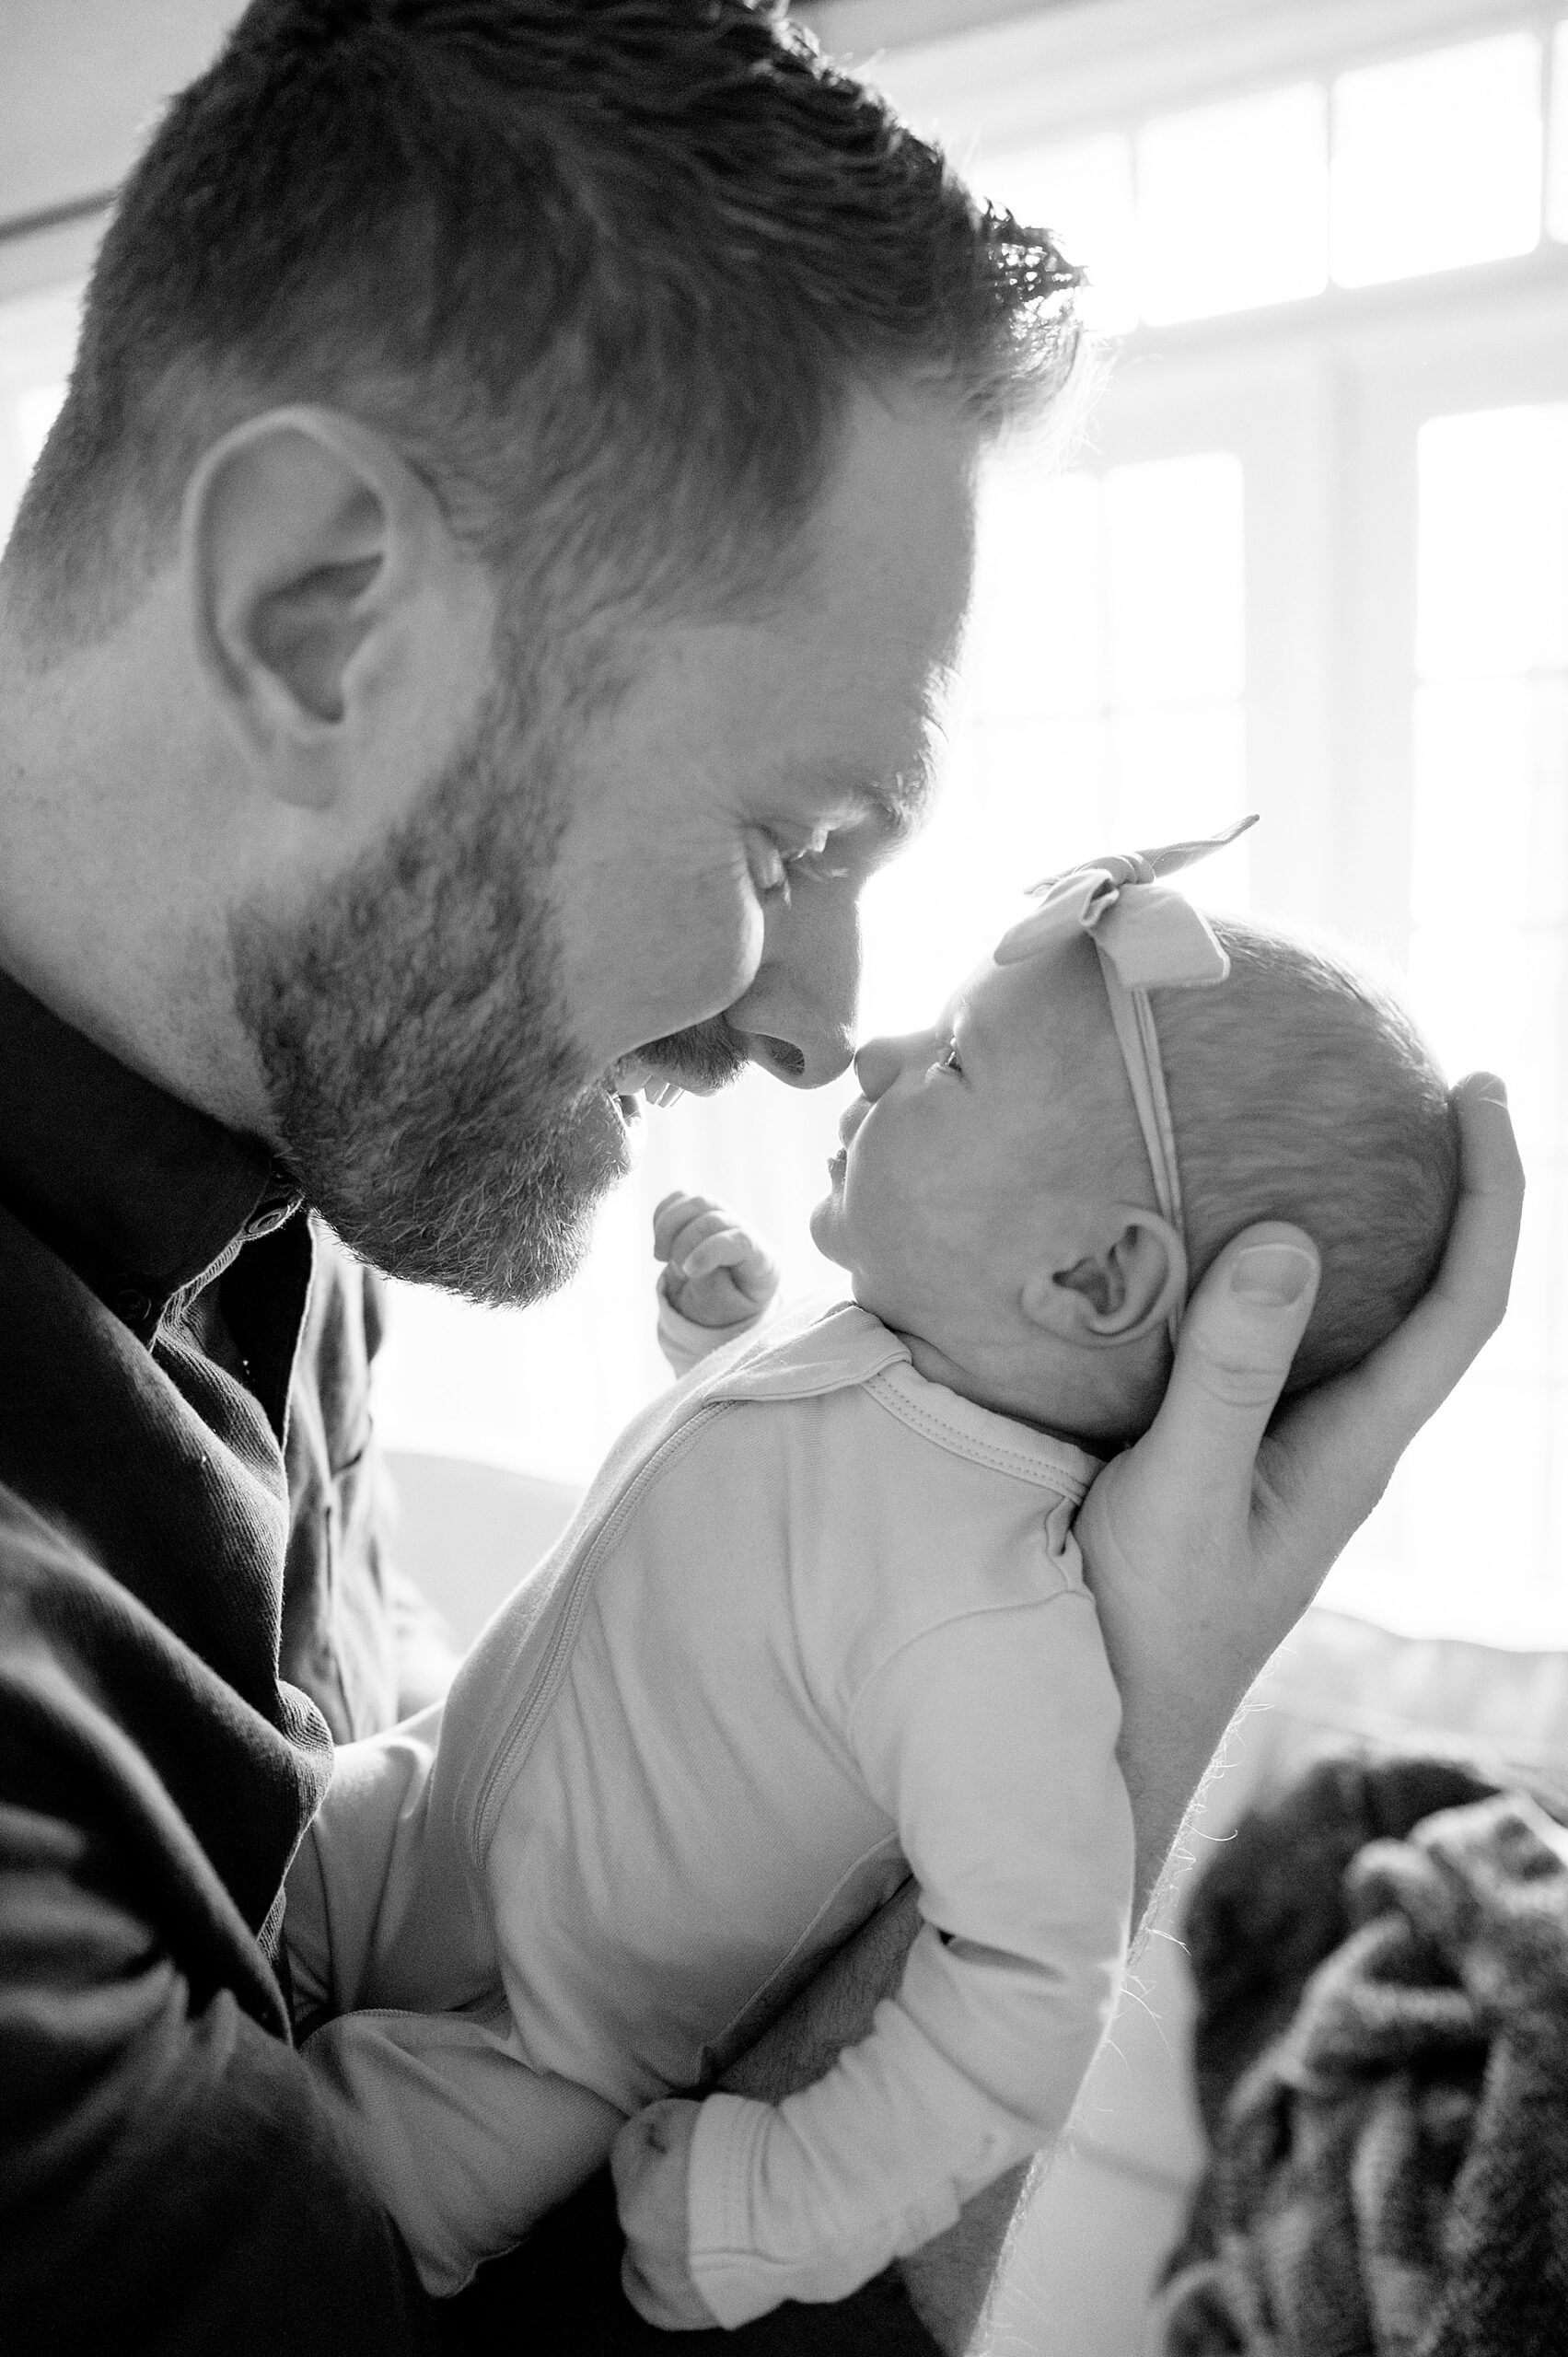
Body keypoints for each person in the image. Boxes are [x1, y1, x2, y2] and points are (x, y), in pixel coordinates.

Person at [0, 3, 1521, 2352]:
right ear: (319, 613)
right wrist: (1145, 1691)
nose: (820, 1026)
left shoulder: (299, 1177)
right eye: (784, 841)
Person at [282, 840, 1462, 2328]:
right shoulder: (870, 1358)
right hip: (399, 1818)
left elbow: (1031, 1982)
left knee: (279, 2223)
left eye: (956, 1061)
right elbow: (759, 1542)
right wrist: (721, 1344)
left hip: (532, 2057)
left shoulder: (1001, 1617)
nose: (879, 1052)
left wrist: (782, 2197)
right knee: (185, 1922)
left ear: (1095, 1281)